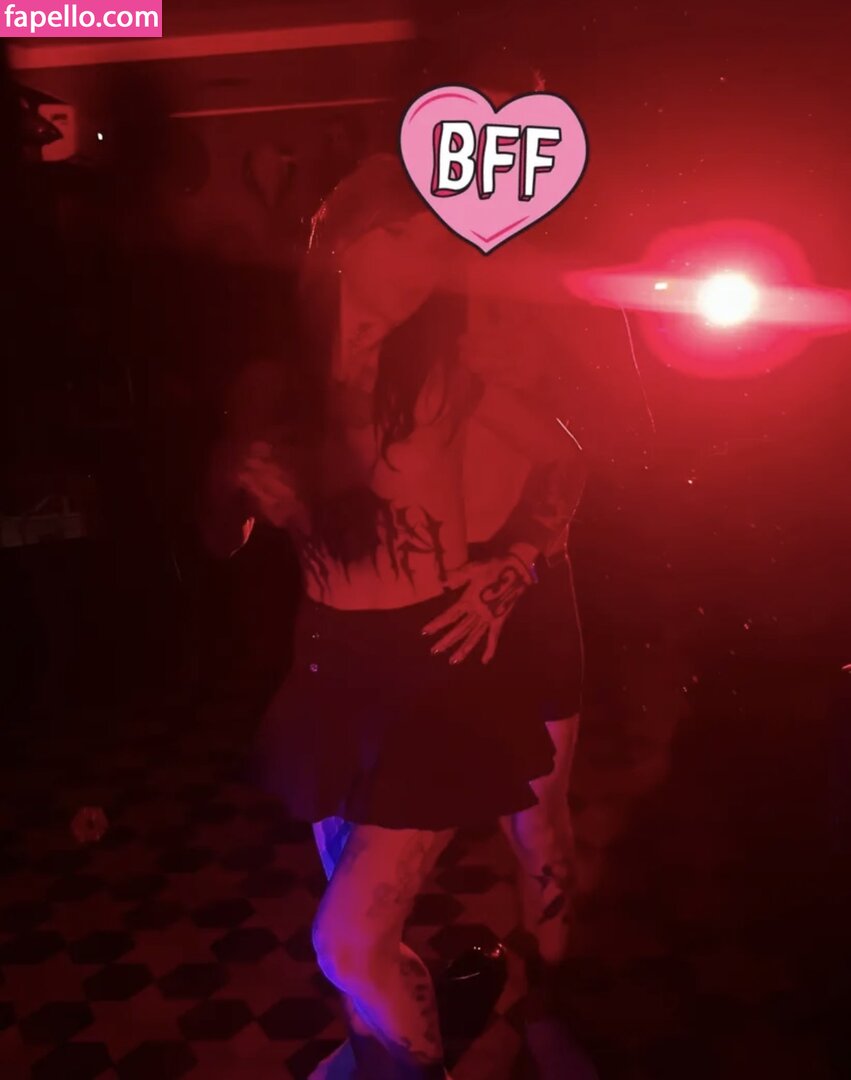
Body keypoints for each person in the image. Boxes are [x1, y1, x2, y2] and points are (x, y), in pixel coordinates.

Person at [205, 148, 585, 1079]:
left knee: (346, 939)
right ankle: (385, 1060)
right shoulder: (272, 386)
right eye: (402, 236)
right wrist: (234, 486)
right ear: (340, 243)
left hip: (432, 670)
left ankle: (515, 1022)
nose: (427, 260)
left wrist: (515, 562)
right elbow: (219, 535)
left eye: (436, 243)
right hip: (329, 668)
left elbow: (564, 459)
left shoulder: (440, 374)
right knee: (362, 936)